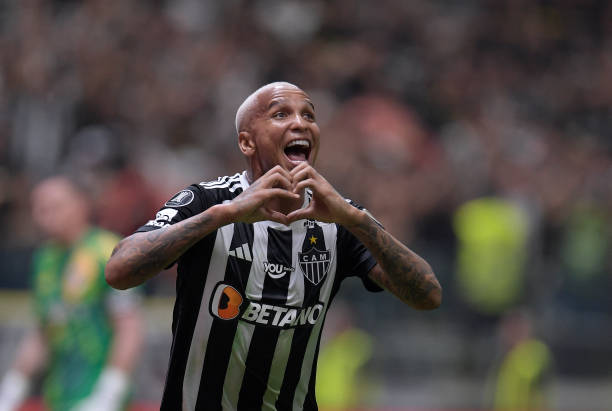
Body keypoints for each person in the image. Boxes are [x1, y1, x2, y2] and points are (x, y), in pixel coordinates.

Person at [105, 82, 442, 410]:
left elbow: (428, 296)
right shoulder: (208, 201)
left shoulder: (337, 218)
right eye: (281, 114)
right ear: (247, 142)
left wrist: (357, 220)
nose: (300, 122)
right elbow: (119, 270)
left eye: (308, 115)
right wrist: (222, 216)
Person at [0, 176, 143, 411]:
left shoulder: (108, 251)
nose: (43, 216)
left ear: (81, 205)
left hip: (98, 396)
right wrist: (12, 389)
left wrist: (109, 393)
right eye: (38, 208)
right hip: (58, 396)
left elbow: (129, 328)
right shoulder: (44, 259)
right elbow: (44, 330)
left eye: (54, 207)